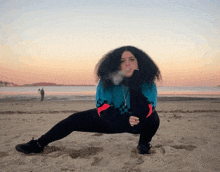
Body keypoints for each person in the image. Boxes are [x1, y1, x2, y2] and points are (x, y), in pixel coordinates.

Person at [15, 46, 161, 155]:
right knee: (72, 120)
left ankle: (143, 144)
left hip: (139, 122)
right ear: (116, 64)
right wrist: (124, 119)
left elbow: (147, 108)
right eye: (122, 61)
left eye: (132, 60)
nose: (127, 64)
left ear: (139, 62)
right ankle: (39, 144)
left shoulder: (148, 83)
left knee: (154, 118)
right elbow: (103, 109)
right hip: (112, 121)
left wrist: (133, 82)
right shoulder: (107, 81)